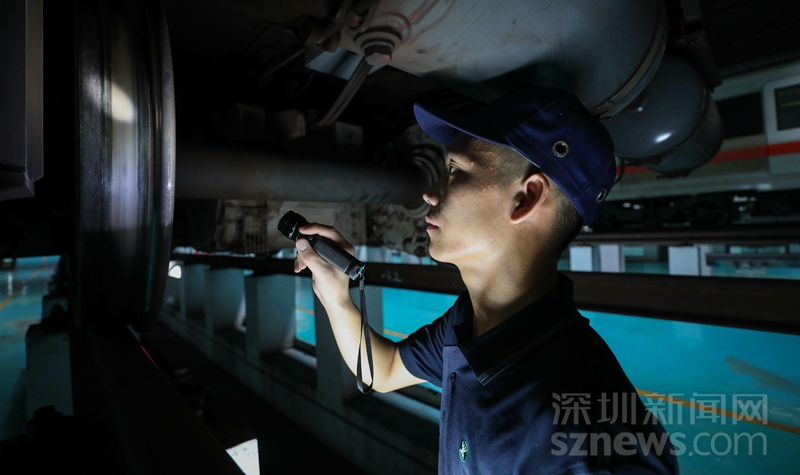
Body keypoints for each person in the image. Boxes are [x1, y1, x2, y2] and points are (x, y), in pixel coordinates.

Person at [294, 86, 679, 474]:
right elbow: (385, 369)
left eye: (455, 171)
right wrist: (336, 295)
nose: (429, 193)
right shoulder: (468, 323)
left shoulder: (588, 432)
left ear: (525, 199)